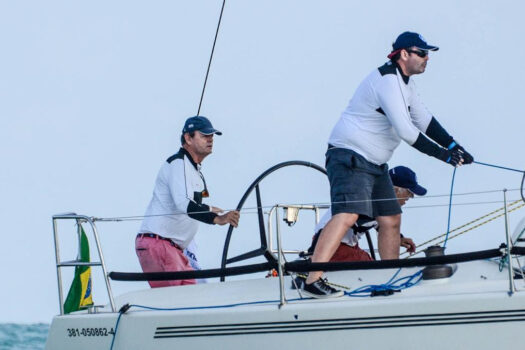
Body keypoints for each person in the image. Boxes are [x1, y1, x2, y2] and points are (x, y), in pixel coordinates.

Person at [302, 31, 474, 298]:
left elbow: (425, 121)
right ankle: (313, 279)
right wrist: (443, 156)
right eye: (422, 53)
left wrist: (454, 146)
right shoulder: (386, 81)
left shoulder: (406, 86)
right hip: (349, 156)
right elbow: (406, 130)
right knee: (347, 215)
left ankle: (387, 277)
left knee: (391, 218)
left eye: (428, 54)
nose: (427, 58)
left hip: (375, 163)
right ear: (404, 54)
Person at [136, 116, 240, 288]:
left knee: (193, 300)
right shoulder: (178, 164)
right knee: (179, 305)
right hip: (160, 244)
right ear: (188, 138)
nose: (210, 139)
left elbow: (188, 201)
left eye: (212, 136)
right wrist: (218, 219)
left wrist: (210, 208)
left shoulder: (191, 169)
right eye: (205, 135)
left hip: (172, 249)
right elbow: (183, 204)